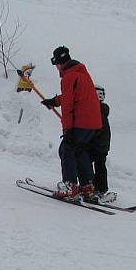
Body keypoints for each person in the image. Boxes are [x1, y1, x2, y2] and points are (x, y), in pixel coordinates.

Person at [40, 46, 102, 202]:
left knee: (66, 149)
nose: (56, 68)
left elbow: (68, 107)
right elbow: (73, 96)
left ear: (60, 63)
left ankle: (70, 186)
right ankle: (87, 187)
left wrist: (67, 130)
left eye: (55, 64)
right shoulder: (81, 73)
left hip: (81, 122)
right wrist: (54, 101)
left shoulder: (68, 77)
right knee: (79, 150)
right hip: (94, 123)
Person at [86, 84, 114, 203]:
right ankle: (98, 187)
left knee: (88, 163)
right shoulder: (101, 110)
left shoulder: (97, 111)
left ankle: (95, 187)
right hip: (101, 145)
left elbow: (96, 129)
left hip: (97, 144)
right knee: (99, 165)